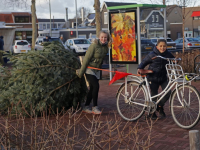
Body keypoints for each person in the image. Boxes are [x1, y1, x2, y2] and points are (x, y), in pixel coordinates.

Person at [137, 39, 174, 120]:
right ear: (157, 47)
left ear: (166, 47)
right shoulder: (152, 55)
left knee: (168, 92)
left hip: (163, 78)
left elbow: (173, 60)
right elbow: (143, 62)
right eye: (160, 46)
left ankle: (160, 106)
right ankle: (152, 112)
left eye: (164, 46)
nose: (162, 47)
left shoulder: (168, 54)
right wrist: (140, 68)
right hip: (153, 78)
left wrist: (175, 61)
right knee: (154, 95)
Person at [76, 31, 112, 114]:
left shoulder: (106, 47)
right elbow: (86, 59)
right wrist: (81, 73)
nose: (103, 39)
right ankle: (95, 107)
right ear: (99, 37)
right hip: (89, 69)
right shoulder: (94, 46)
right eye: (102, 37)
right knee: (96, 86)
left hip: (96, 70)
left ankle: (86, 106)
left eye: (105, 37)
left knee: (92, 88)